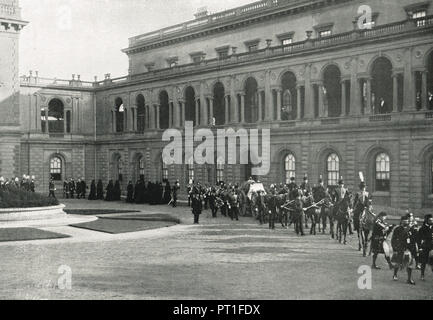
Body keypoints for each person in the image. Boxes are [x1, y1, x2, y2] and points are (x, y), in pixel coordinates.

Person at [391, 214, 416, 285]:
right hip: (400, 248)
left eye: (407, 221)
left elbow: (412, 238)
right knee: (398, 263)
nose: (406, 222)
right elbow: (393, 239)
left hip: (408, 248)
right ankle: (395, 274)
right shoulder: (397, 229)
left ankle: (409, 279)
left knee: (410, 263)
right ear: (401, 221)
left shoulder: (410, 228)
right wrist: (394, 249)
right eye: (404, 221)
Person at [418, 214, 433, 281]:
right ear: (426, 220)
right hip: (425, 246)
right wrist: (420, 247)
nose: (431, 221)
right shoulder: (422, 228)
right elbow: (420, 239)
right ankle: (422, 275)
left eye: (432, 220)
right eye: (430, 220)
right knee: (424, 262)